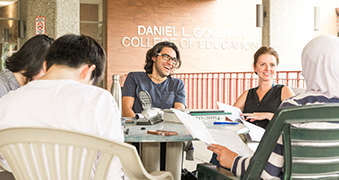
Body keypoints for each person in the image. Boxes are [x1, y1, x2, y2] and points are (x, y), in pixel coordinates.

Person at [207, 35, 339, 179]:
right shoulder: (249, 93)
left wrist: (233, 160)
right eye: (262, 64)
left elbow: (266, 173)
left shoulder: (295, 105)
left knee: (218, 158)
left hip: (264, 154)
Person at [0, 34, 128, 179]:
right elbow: (113, 170)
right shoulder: (99, 99)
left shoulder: (6, 102)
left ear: (45, 65)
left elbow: (5, 163)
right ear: (88, 71)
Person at [233, 46, 294, 129]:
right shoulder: (247, 94)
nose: (268, 69)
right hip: (248, 140)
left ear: (276, 67)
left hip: (273, 141)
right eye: (262, 64)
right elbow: (229, 116)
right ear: (254, 67)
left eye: (272, 65)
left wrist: (268, 115)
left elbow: (297, 118)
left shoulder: (284, 91)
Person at [122, 41, 186, 117]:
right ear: (154, 57)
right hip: (139, 127)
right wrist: (142, 126)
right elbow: (125, 109)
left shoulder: (178, 84)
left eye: (173, 60)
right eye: (166, 57)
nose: (170, 62)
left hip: (167, 128)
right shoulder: (134, 78)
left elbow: (179, 113)